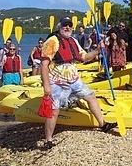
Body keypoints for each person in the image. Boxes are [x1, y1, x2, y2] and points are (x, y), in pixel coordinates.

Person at [41, 17, 117, 149]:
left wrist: (98, 50)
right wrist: (46, 86)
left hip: (74, 79)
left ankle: (102, 124)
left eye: (70, 25)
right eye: (65, 25)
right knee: (54, 110)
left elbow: (84, 57)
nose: (68, 28)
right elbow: (44, 64)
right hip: (57, 81)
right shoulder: (52, 41)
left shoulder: (73, 40)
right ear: (60, 27)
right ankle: (48, 140)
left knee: (91, 97)